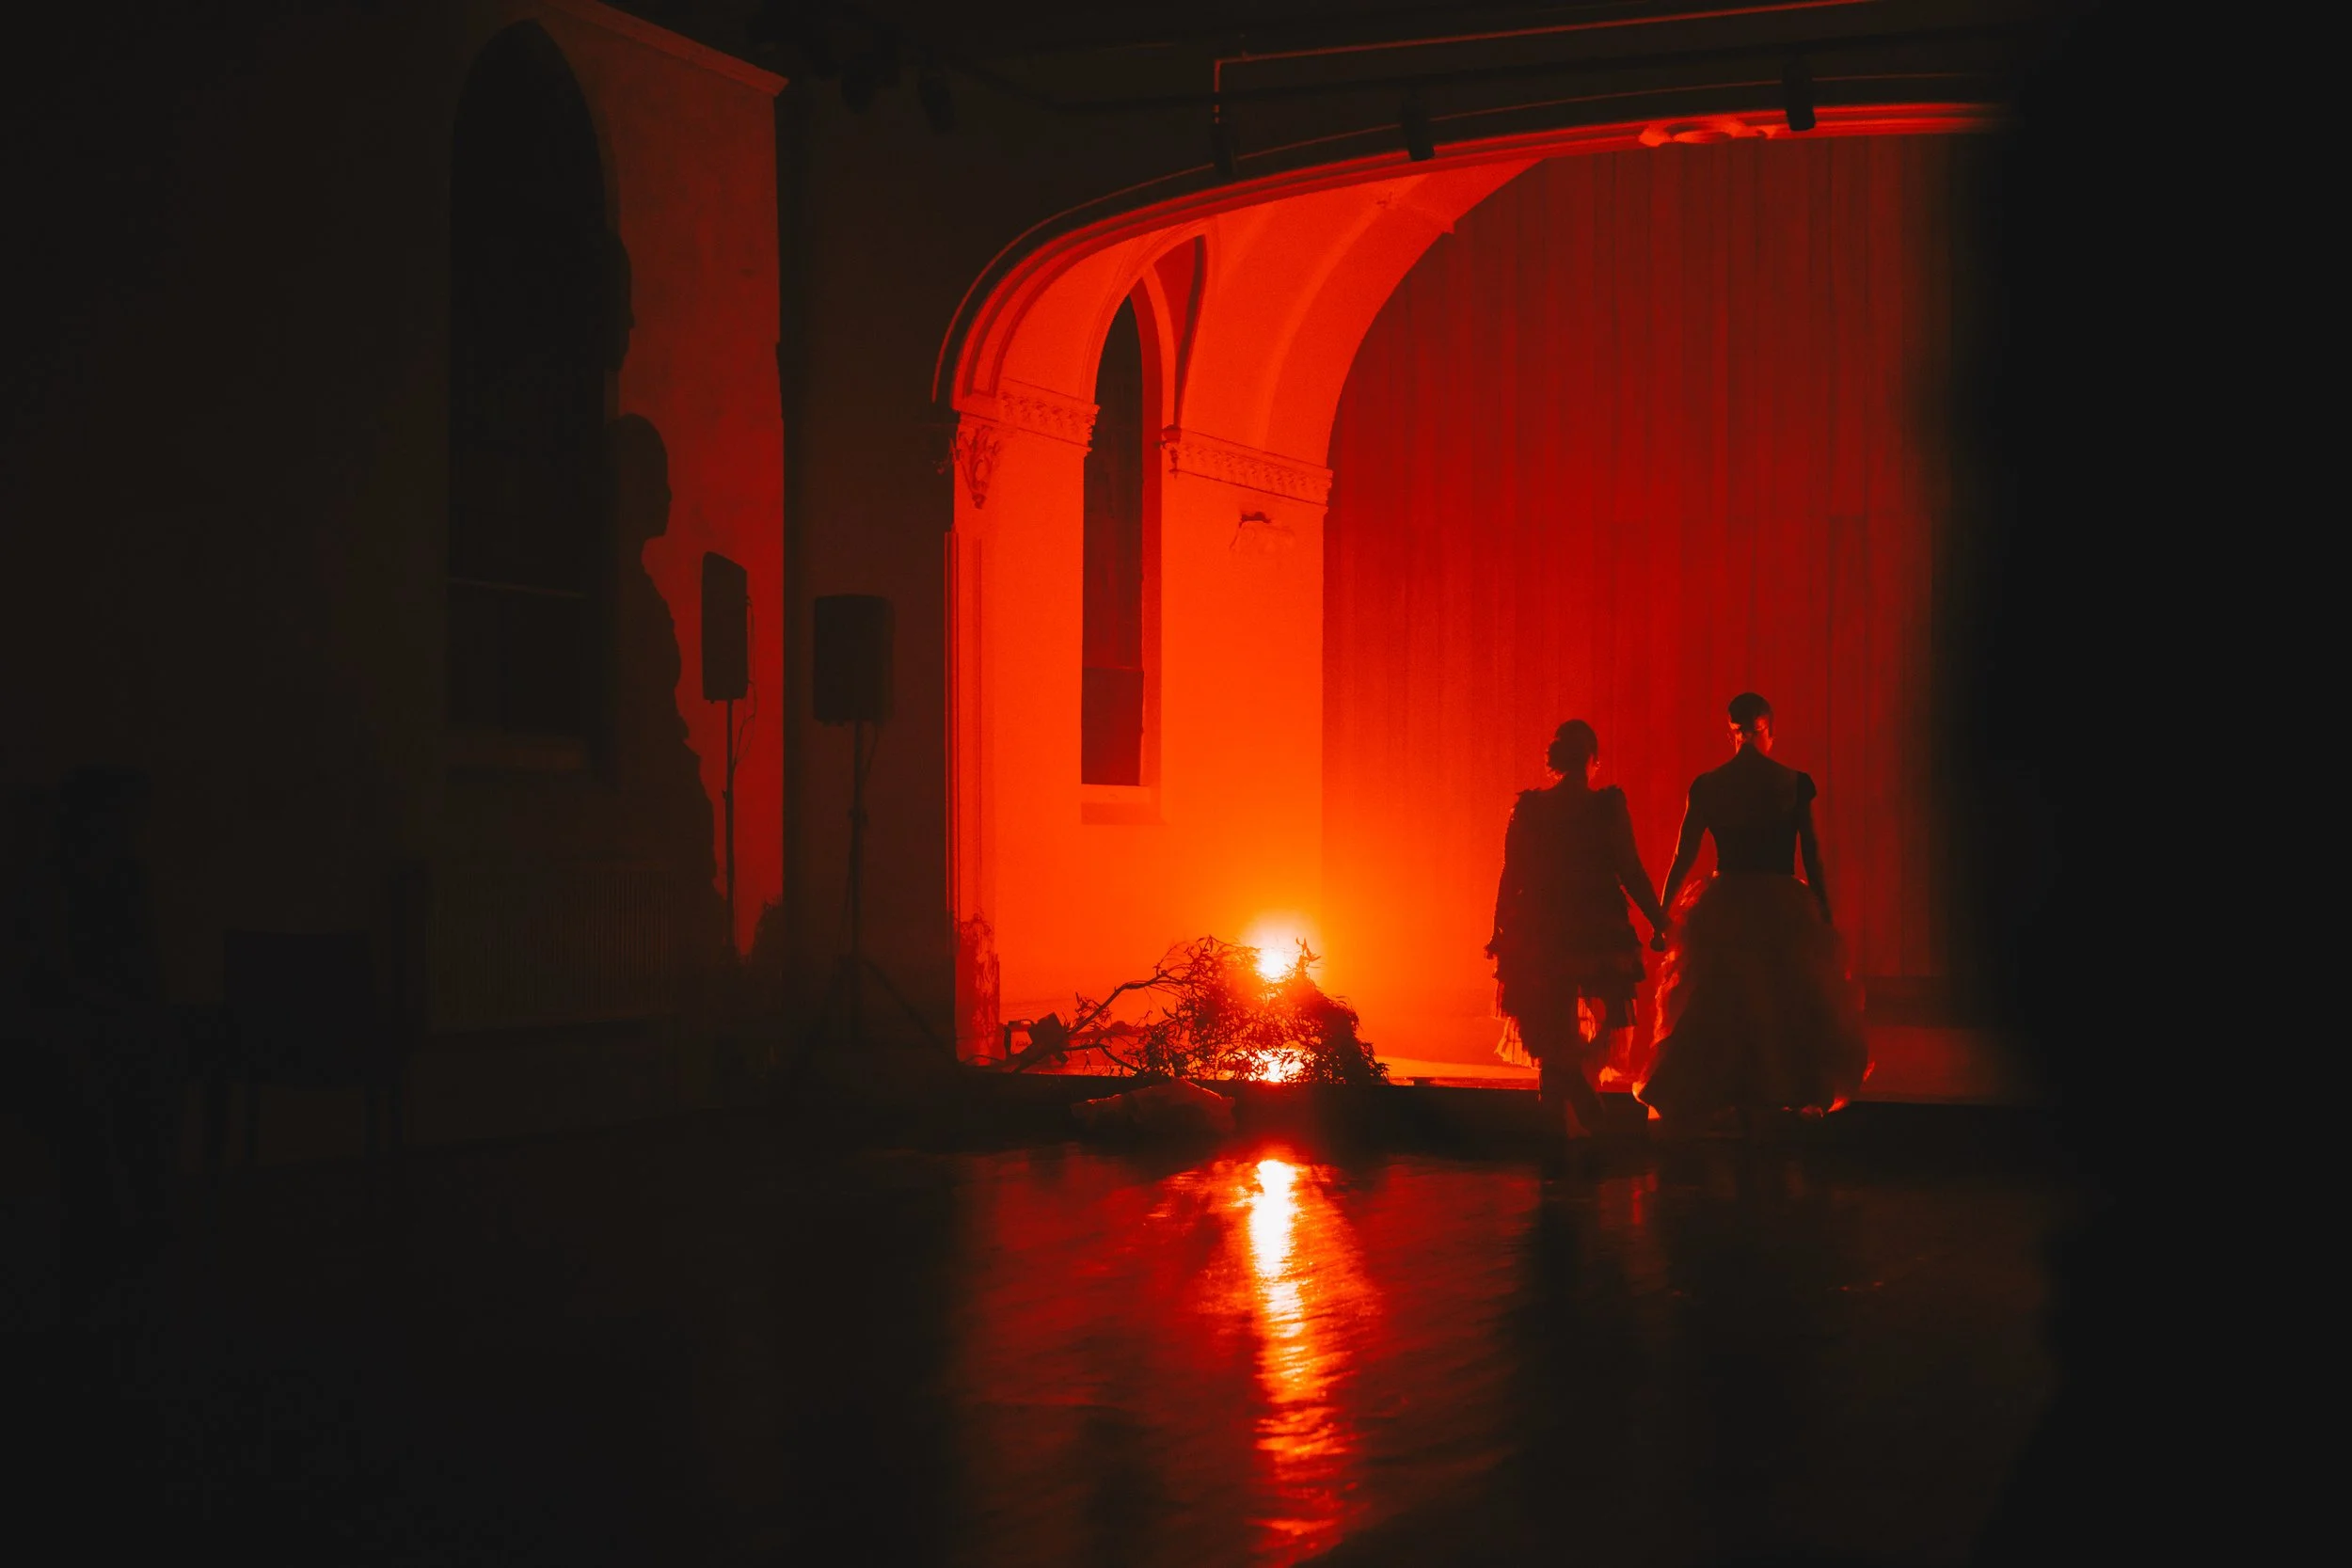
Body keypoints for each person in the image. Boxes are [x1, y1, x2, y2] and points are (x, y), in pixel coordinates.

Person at [1639, 694, 1867, 1129]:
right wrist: (1824, 909)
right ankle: (1773, 1098)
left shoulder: (1710, 785)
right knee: (1781, 999)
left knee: (1724, 1001)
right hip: (1780, 904)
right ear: (1770, 731)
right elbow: (1812, 854)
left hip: (1726, 902)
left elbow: (1682, 856)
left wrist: (1662, 914)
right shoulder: (1793, 782)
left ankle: (1735, 1098)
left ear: (1733, 732)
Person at [1488, 721, 1671, 1140]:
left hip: (1542, 926)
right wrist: (1659, 920)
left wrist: (1498, 927)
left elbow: (1510, 872)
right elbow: (1630, 869)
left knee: (1549, 1023)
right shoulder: (1605, 808)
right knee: (1603, 1015)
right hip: (1595, 926)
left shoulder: (1531, 810)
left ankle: (1555, 1123)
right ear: (1593, 760)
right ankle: (1575, 1089)